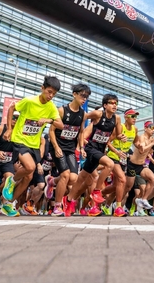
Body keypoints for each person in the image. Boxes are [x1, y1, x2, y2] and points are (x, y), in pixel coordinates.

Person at [0, 76, 64, 216]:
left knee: (28, 178)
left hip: (34, 144)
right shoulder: (29, 101)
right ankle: (11, 180)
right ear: (42, 88)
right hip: (20, 139)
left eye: (54, 94)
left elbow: (60, 125)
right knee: (30, 167)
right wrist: (9, 129)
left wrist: (48, 120)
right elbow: (12, 108)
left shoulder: (51, 107)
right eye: (49, 92)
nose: (51, 96)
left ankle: (8, 204)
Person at [62, 94, 122, 217]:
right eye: (111, 103)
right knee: (109, 164)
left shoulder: (117, 119)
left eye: (116, 103)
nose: (114, 105)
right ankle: (97, 191)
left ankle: (68, 199)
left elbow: (118, 134)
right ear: (105, 105)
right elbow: (83, 116)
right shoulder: (98, 114)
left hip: (100, 149)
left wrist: (122, 137)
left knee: (82, 177)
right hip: (91, 148)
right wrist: (80, 133)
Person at [48, 83, 90, 216]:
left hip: (70, 148)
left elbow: (81, 132)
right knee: (65, 175)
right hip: (57, 146)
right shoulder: (62, 110)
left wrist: (81, 147)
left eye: (86, 97)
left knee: (73, 178)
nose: (84, 99)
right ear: (74, 94)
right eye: (82, 95)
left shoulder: (83, 114)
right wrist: (56, 147)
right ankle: (57, 207)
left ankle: (52, 181)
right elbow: (51, 131)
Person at [129, 121, 154, 214]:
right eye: (151, 128)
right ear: (145, 128)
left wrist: (153, 160)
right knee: (127, 188)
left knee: (153, 179)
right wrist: (152, 143)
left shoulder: (151, 139)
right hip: (132, 165)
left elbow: (148, 153)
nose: (153, 130)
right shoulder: (142, 137)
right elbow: (142, 150)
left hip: (141, 166)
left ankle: (143, 200)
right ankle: (115, 204)